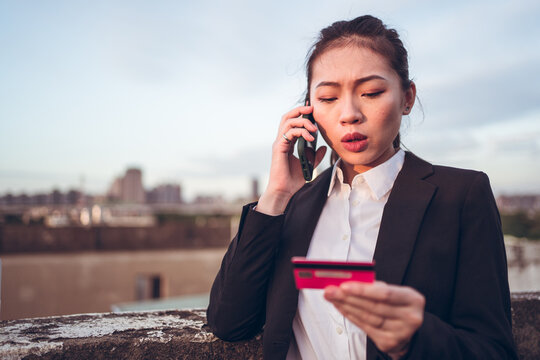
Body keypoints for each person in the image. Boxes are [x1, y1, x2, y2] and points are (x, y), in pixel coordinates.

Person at [207, 15, 517, 360]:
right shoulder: (294, 204)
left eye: (371, 92)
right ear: (307, 113)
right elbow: (229, 322)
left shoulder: (461, 195)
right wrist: (276, 195)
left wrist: (415, 338)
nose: (349, 114)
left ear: (407, 98)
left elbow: (495, 350)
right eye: (327, 98)